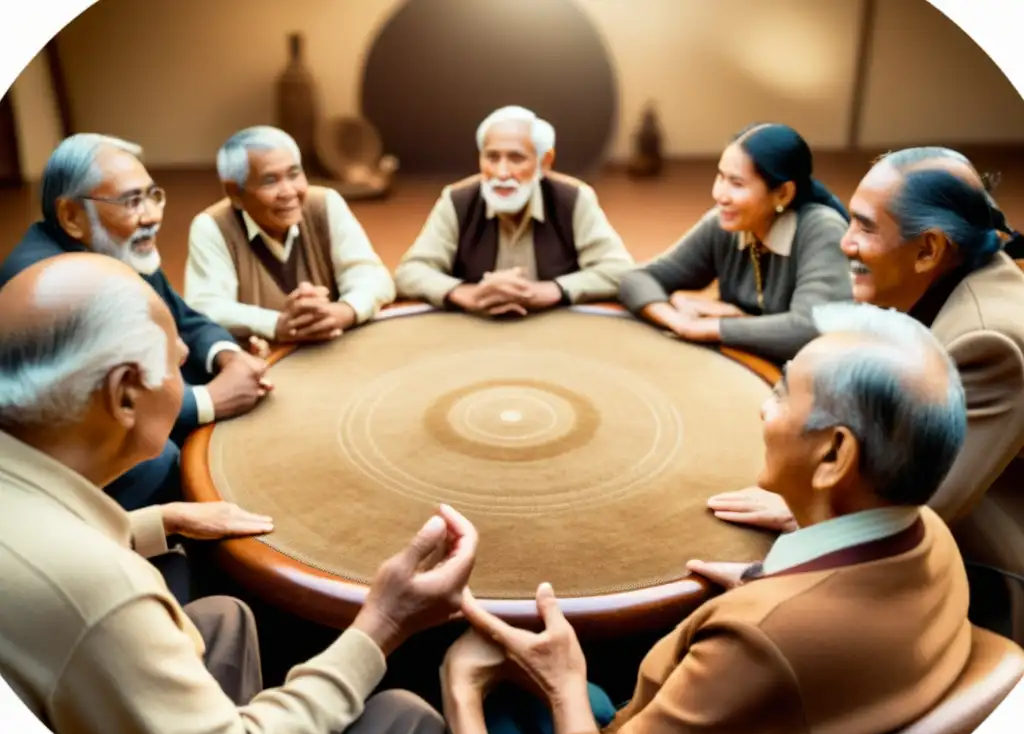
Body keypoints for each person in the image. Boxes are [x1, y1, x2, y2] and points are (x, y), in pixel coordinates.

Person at [439, 302, 972, 734]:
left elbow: (776, 650)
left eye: (783, 395)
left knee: (484, 706)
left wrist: (544, 686)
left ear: (834, 455)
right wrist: (760, 578)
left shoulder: (758, 647)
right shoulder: (932, 533)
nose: (763, 407)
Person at [0, 253, 479, 734]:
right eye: (174, 362)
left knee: (224, 620)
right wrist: (383, 621)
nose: (185, 364)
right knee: (406, 719)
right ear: (124, 397)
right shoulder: (102, 592)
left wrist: (161, 521)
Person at [706, 146, 1024, 641]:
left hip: (982, 574)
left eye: (866, 228)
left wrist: (798, 518)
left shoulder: (987, 342)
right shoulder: (939, 278)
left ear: (928, 249)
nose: (845, 243)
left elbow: (916, 509)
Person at [0, 133, 271, 513]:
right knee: (160, 460)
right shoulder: (53, 284)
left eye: (153, 195)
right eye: (131, 201)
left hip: (147, 396)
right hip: (67, 451)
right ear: (71, 216)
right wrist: (210, 401)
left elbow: (184, 317)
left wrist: (227, 357)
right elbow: (95, 409)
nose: (152, 217)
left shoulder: (117, 244)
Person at [617, 122, 853, 363]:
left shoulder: (822, 229)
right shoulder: (724, 224)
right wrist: (677, 320)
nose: (720, 195)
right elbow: (636, 278)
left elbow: (810, 327)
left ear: (783, 193)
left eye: (737, 184)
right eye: (720, 177)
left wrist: (712, 327)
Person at [394, 106, 634, 316]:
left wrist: (553, 289)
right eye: (492, 157)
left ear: (545, 162)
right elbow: (409, 272)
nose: (502, 173)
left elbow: (620, 271)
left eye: (516, 158)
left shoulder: (573, 199)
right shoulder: (458, 201)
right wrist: (465, 293)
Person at [185, 126, 396, 343]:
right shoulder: (212, 226)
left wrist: (344, 310)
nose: (288, 192)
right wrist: (276, 324)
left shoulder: (325, 204)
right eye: (270, 181)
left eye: (294, 174)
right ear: (234, 193)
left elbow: (373, 275)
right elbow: (205, 307)